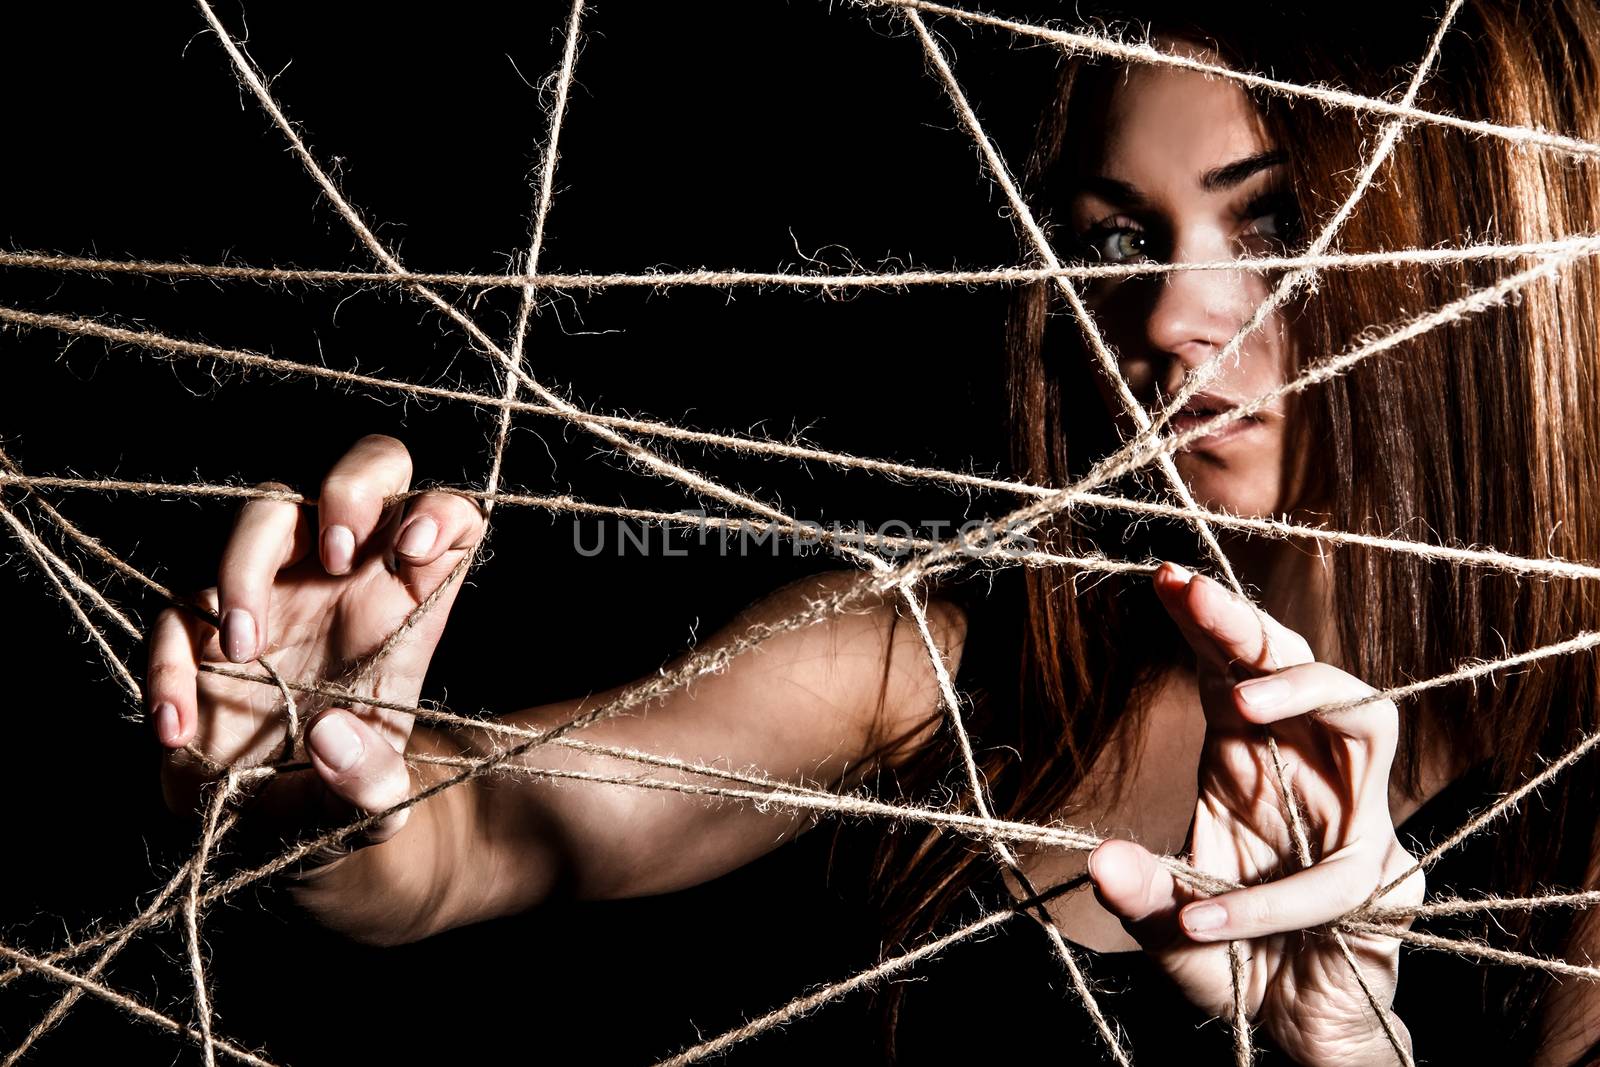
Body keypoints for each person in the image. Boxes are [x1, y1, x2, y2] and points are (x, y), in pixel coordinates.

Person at [144, 1, 1600, 1062]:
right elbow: (474, 835)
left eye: (1272, 224)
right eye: (1110, 237)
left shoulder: (1580, 817)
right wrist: (318, 785)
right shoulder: (924, 678)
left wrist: (1344, 1054)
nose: (1160, 318)